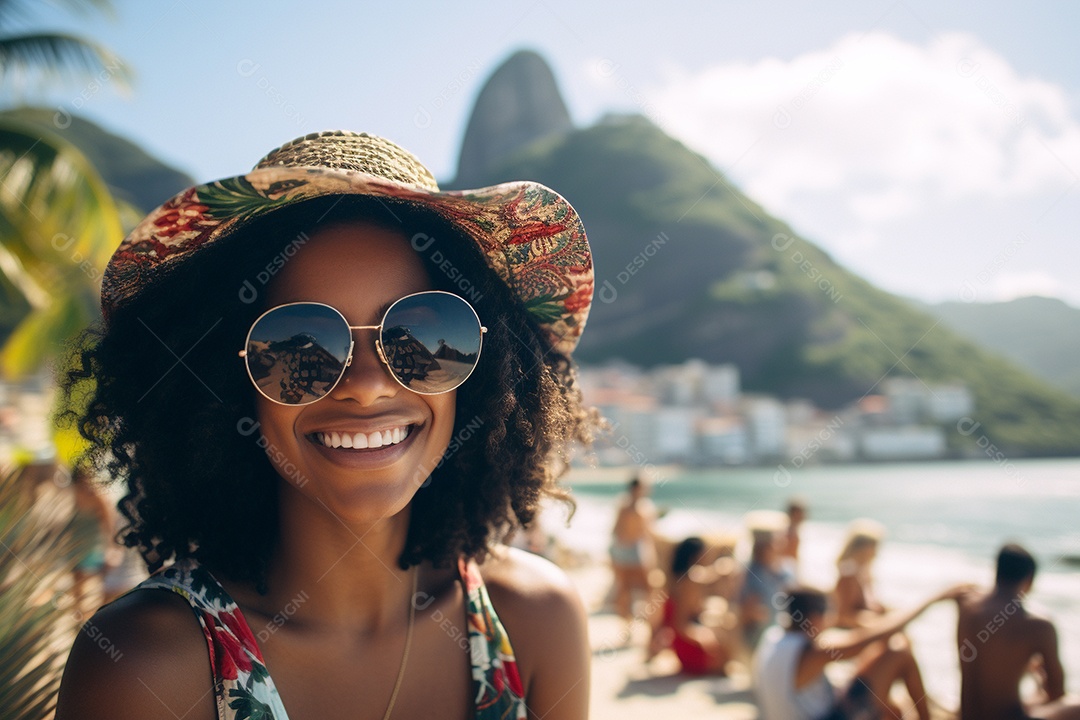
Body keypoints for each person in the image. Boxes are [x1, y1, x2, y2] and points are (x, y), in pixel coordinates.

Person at [54, 130, 597, 720]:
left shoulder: (537, 622)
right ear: (223, 379)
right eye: (300, 343)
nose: (367, 383)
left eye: (420, 334)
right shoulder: (144, 669)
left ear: (485, 368)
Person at [754, 584, 966, 720]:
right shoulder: (809, 652)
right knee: (899, 652)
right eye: (827, 615)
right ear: (813, 618)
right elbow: (873, 637)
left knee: (892, 707)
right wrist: (935, 598)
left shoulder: (775, 638)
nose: (830, 622)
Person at [955, 543, 1080, 720]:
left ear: (996, 572)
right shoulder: (1039, 625)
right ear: (1029, 580)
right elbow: (1056, 693)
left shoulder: (967, 609)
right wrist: (1038, 682)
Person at [655, 536, 736, 675]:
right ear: (696, 557)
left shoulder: (674, 578)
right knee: (726, 651)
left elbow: (708, 574)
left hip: (680, 643)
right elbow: (680, 624)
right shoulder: (689, 582)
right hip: (687, 644)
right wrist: (706, 640)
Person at [609, 476, 659, 624]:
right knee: (647, 588)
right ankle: (646, 623)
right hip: (633, 551)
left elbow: (615, 530)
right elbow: (648, 534)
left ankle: (629, 624)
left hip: (622, 549)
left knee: (625, 589)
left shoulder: (623, 504)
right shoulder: (643, 507)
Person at [740, 529, 795, 650]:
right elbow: (742, 612)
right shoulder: (747, 573)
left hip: (780, 636)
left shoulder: (786, 570)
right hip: (756, 637)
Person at [833, 519, 887, 629]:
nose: (876, 553)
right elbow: (843, 616)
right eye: (874, 547)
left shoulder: (863, 573)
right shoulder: (848, 575)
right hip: (851, 630)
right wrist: (876, 623)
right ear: (862, 549)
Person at [781, 497, 807, 575]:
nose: (804, 515)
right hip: (788, 568)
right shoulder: (789, 532)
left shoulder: (791, 530)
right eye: (800, 512)